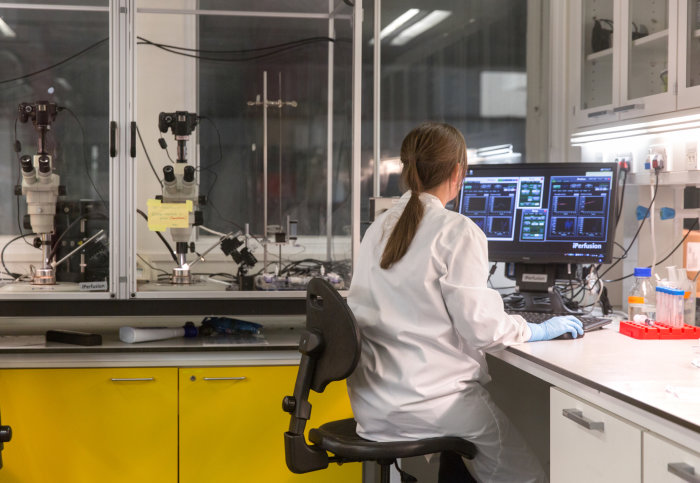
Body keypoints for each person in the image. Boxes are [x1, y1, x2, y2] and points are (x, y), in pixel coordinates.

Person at [346, 122, 582, 482]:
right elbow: (485, 331)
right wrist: (537, 329)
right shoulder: (456, 230)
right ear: (458, 172)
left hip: (374, 407)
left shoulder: (378, 227)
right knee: (529, 477)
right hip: (433, 404)